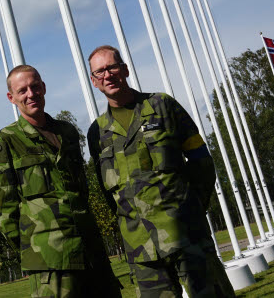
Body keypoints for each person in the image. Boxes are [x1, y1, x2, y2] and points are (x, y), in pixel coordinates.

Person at [86, 45, 234, 298]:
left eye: (112, 67)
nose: (107, 75)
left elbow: (201, 160)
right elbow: (106, 192)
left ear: (125, 70)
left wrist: (192, 208)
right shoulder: (97, 132)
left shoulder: (163, 105)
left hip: (187, 236)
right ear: (94, 81)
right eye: (100, 72)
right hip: (142, 250)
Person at [0, 65, 122, 298]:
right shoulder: (5, 142)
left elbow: (81, 188)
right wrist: (34, 249)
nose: (31, 94)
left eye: (35, 86)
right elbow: (4, 212)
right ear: (12, 98)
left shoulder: (67, 132)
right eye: (22, 91)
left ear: (44, 88)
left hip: (91, 250)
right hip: (50, 262)